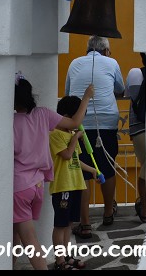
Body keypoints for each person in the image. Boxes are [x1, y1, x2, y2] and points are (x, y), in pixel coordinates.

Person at [14, 74, 92, 270]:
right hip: (37, 185)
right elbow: (74, 123)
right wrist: (87, 97)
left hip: (18, 186)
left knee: (29, 241)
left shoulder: (10, 122)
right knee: (16, 238)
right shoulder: (43, 114)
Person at [65, 35, 125, 237]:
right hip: (106, 123)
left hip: (78, 123)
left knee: (82, 172)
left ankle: (85, 222)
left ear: (87, 50)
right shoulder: (112, 63)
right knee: (106, 167)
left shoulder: (74, 64)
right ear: (106, 51)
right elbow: (120, 89)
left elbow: (67, 92)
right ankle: (108, 212)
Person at [49, 96, 102, 270]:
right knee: (60, 224)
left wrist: (92, 170)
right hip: (63, 186)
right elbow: (65, 154)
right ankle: (59, 261)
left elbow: (75, 160)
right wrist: (75, 138)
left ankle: (66, 255)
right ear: (65, 117)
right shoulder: (54, 134)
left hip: (75, 184)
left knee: (69, 224)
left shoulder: (70, 134)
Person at [126, 53, 146, 223]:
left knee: (145, 166)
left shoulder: (136, 74)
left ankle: (145, 206)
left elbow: (130, 95)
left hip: (138, 128)